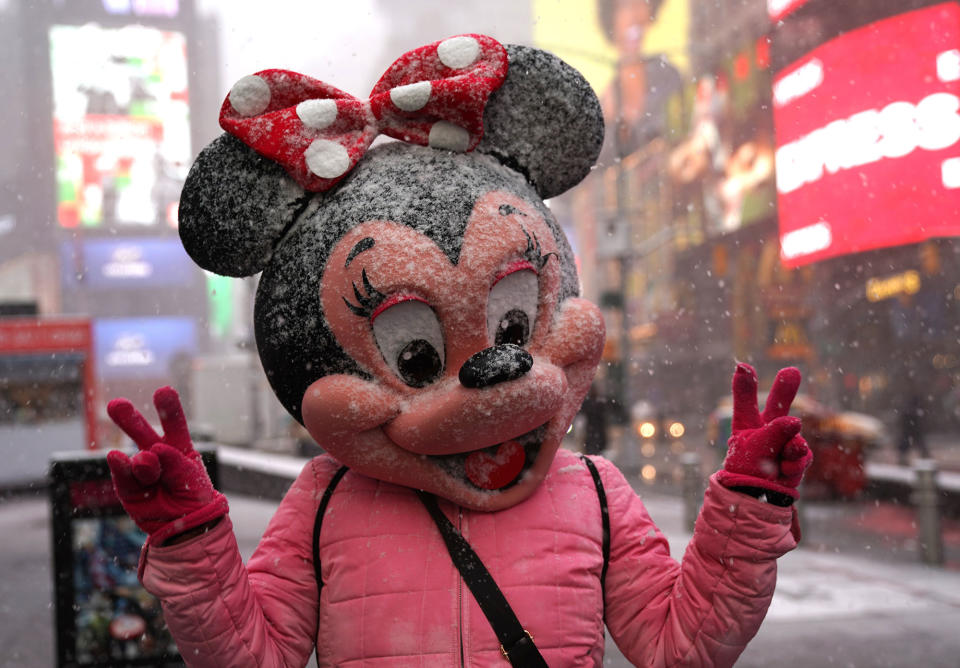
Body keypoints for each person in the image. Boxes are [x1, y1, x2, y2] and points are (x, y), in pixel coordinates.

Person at [105, 35, 812, 667]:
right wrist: (192, 541)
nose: (492, 372)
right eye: (415, 358)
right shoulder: (324, 503)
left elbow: (679, 645)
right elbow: (254, 656)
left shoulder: (596, 495)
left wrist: (746, 508)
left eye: (512, 330)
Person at [898, 389, 930, 465]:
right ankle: (925, 457)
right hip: (913, 430)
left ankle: (903, 459)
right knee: (918, 444)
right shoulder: (914, 410)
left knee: (907, 444)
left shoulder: (909, 410)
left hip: (910, 430)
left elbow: (904, 419)